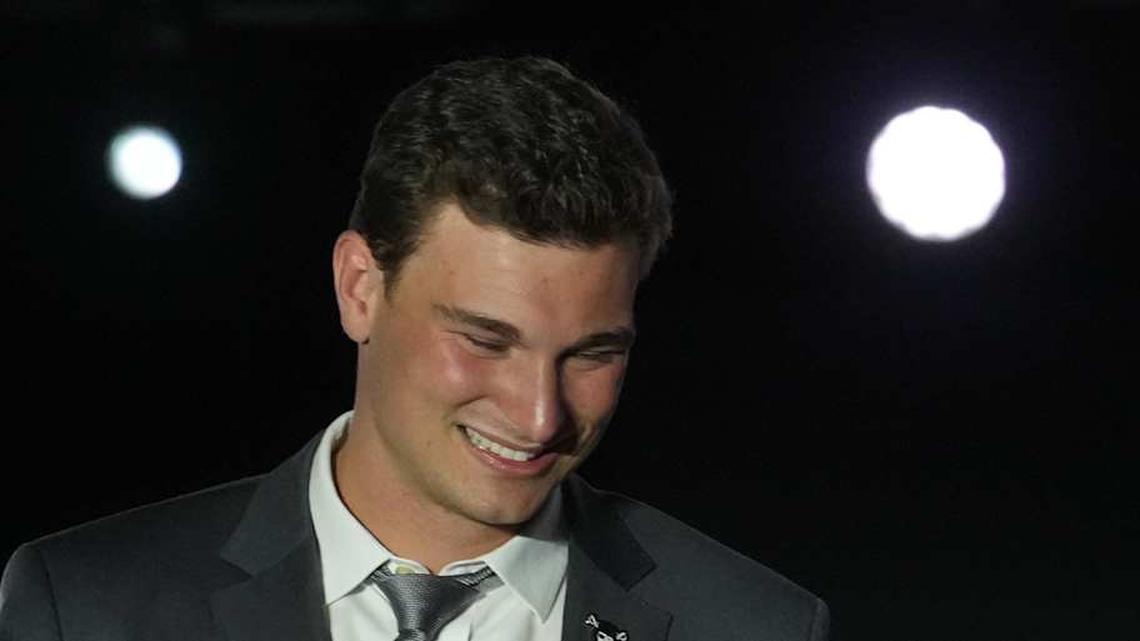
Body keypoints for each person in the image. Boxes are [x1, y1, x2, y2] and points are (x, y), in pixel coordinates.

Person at [0, 56, 828, 641]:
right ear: (360, 286)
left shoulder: (754, 624)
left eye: (591, 353)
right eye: (483, 338)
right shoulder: (88, 607)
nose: (539, 413)